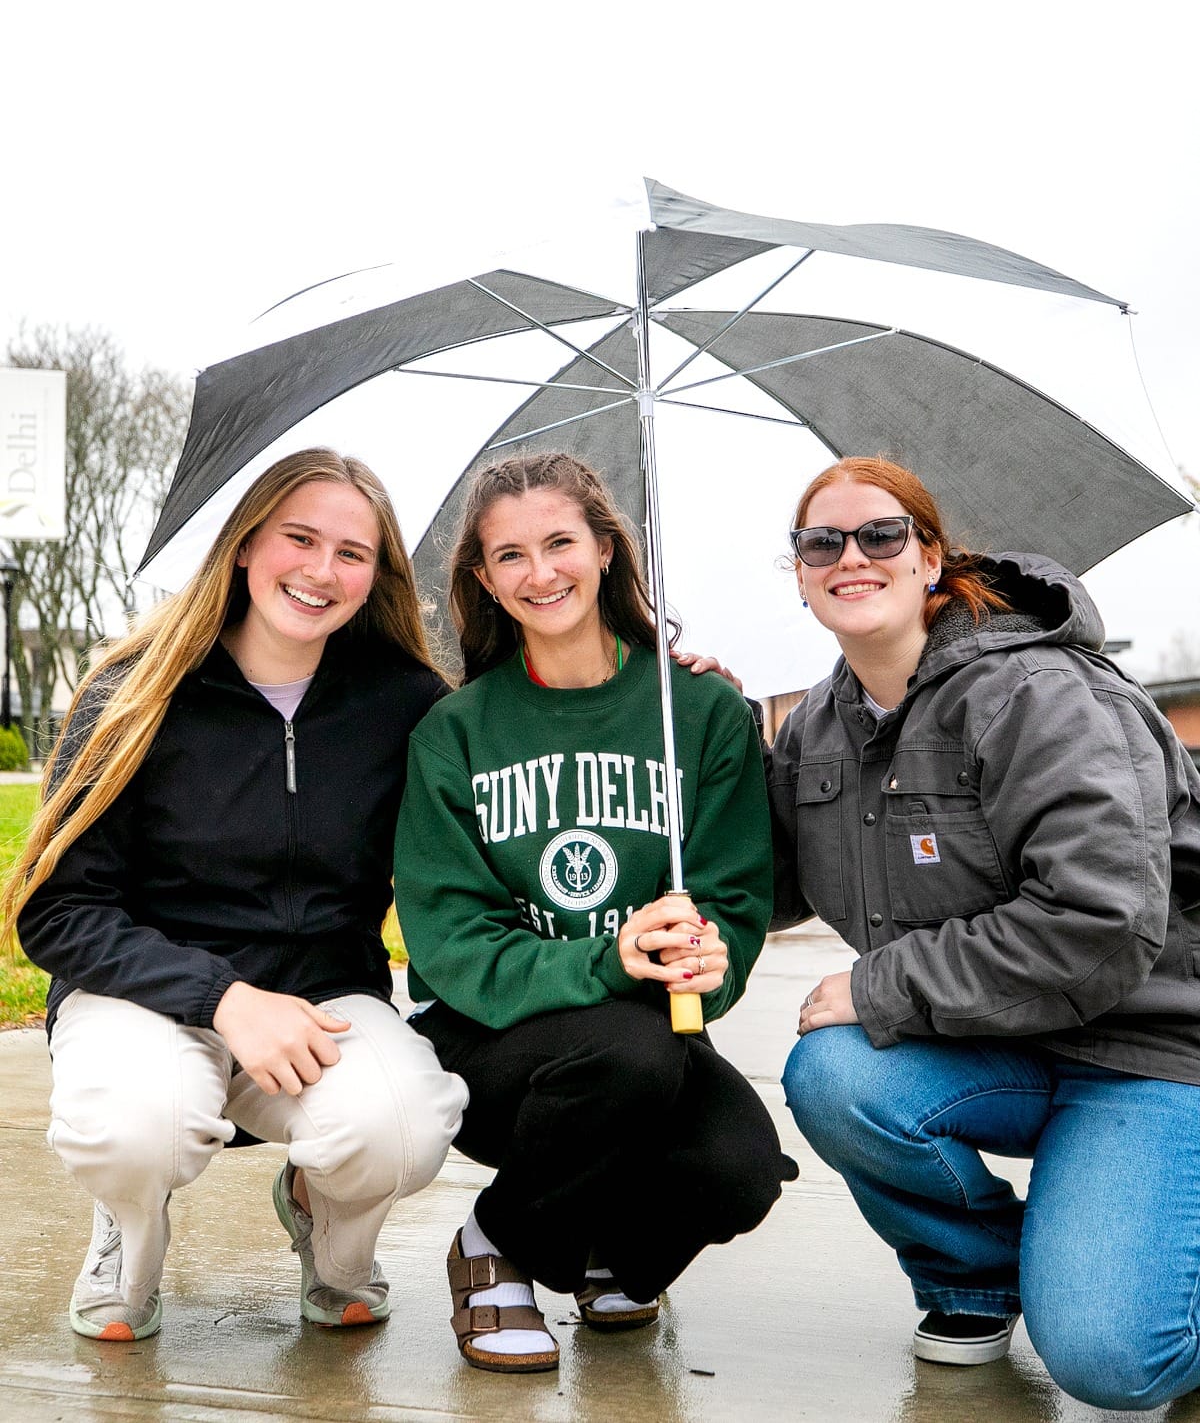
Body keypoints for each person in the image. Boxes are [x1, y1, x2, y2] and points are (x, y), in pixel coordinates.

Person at [4, 449, 468, 1343]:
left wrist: (662, 685)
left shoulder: (405, 704)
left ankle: (329, 1231)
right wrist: (221, 999)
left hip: (322, 997)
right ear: (247, 544)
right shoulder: (133, 691)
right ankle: (126, 1239)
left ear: (376, 578)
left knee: (403, 1129)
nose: (321, 571)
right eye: (300, 538)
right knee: (138, 1129)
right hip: (144, 998)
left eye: (352, 553)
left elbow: (524, 740)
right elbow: (55, 911)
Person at [770, 455, 1200, 1411]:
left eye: (880, 534)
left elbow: (1100, 918)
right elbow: (760, 890)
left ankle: (1139, 1229)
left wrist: (887, 986)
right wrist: (698, 728)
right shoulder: (818, 728)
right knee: (834, 1074)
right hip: (1000, 1045)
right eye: (820, 542)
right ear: (798, 577)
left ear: (929, 557)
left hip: (1150, 1049)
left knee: (1115, 1364)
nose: (851, 555)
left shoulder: (1037, 694)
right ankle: (977, 1280)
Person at [393, 451, 796, 1375]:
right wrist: (606, 961)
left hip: (652, 1042)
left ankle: (609, 1249)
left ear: (608, 550)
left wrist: (711, 956)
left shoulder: (698, 713)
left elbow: (736, 901)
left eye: (561, 543)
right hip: (499, 1050)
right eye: (511, 556)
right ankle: (496, 1245)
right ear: (483, 580)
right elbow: (450, 944)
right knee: (627, 1044)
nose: (541, 573)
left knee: (736, 1170)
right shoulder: (454, 733)